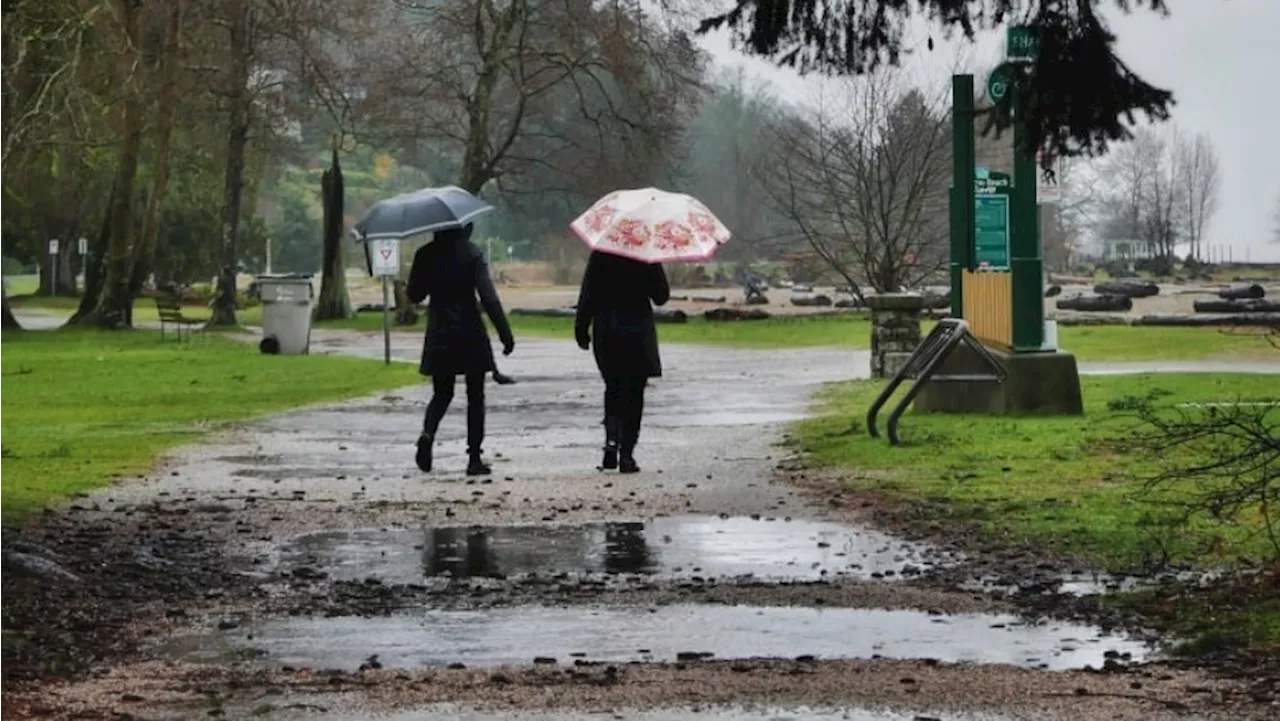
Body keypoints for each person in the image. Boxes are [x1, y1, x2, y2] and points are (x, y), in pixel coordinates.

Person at [407, 223, 514, 476]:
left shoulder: (425, 254)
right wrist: (504, 333)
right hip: (470, 331)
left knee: (442, 393)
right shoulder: (472, 253)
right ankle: (474, 458)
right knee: (475, 395)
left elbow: (415, 295)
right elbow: (488, 297)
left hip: (439, 331)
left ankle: (427, 434)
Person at [574, 250, 670, 473]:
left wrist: (581, 327)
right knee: (635, 393)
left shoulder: (602, 252)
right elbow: (661, 296)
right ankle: (627, 453)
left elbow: (588, 291)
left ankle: (611, 441)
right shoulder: (647, 251)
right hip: (637, 331)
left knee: (613, 388)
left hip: (607, 329)